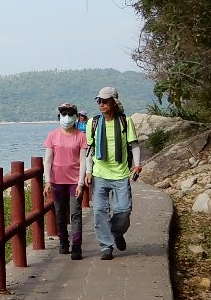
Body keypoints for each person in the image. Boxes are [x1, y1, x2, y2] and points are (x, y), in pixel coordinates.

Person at [84, 86, 143, 260]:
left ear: (114, 102)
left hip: (121, 174)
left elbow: (134, 145)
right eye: (99, 101)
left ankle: (116, 233)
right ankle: (106, 247)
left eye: (105, 101)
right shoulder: (93, 123)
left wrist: (137, 165)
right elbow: (90, 149)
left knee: (124, 211)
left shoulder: (126, 121)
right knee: (99, 211)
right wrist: (88, 171)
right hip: (100, 173)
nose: (101, 104)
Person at [43, 103, 87, 260]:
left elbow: (83, 161)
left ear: (76, 117)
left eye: (70, 114)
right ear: (59, 117)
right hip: (57, 181)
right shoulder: (52, 136)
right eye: (64, 114)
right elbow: (48, 160)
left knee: (75, 212)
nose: (67, 117)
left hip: (74, 181)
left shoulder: (81, 136)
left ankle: (76, 246)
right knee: (60, 212)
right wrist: (48, 180)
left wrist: (81, 183)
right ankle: (63, 242)